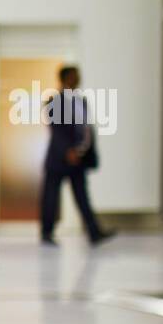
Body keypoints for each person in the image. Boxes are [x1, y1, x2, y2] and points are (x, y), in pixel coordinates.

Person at [40, 65, 114, 246]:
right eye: (74, 75)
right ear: (65, 78)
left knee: (82, 196)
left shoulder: (81, 102)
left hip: (78, 159)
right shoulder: (54, 101)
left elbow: (85, 129)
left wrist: (85, 151)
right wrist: (67, 150)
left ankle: (94, 232)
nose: (78, 78)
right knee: (50, 197)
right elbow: (56, 130)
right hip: (59, 158)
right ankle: (47, 233)